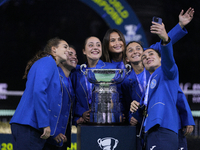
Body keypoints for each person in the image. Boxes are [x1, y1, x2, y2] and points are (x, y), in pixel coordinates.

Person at [130, 21, 194, 149]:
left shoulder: (166, 71)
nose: (147, 57)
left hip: (162, 125)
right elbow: (178, 96)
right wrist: (135, 111)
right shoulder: (150, 81)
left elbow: (167, 56)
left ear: (161, 58)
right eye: (144, 57)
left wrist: (167, 38)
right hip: (151, 130)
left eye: (151, 54)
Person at [10, 37, 69, 150]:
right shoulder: (48, 61)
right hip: (29, 125)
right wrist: (44, 123)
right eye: (65, 47)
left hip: (27, 126)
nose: (68, 50)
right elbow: (39, 91)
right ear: (54, 49)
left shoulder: (48, 63)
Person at [101, 7, 195, 65]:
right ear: (106, 45)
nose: (117, 43)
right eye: (112, 40)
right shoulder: (103, 67)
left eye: (119, 39)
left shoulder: (138, 54)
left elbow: (161, 44)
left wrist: (180, 25)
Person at [70, 36, 119, 126]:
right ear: (84, 51)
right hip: (84, 121)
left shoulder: (112, 68)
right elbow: (73, 99)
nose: (95, 47)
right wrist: (83, 112)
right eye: (91, 45)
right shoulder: (77, 72)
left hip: (107, 119)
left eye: (98, 45)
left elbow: (119, 94)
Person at [43, 46, 78, 149]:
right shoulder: (54, 76)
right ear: (61, 59)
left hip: (61, 138)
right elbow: (46, 106)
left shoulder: (70, 79)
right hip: (49, 138)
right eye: (70, 54)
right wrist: (54, 133)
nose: (75, 57)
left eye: (76, 55)